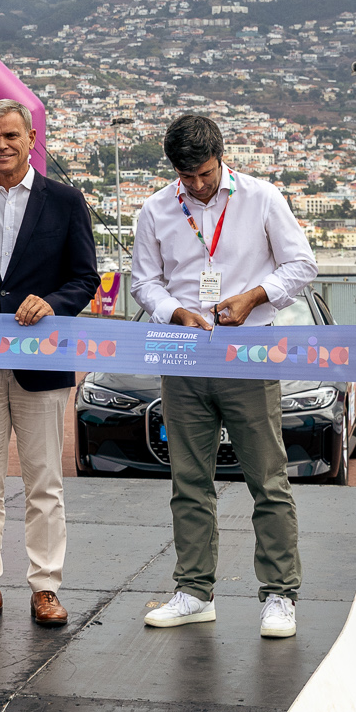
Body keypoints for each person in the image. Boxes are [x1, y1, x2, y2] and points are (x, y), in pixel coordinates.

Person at [130, 114, 317, 640]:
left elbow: (302, 265)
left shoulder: (262, 198)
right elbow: (144, 281)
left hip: (249, 354)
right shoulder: (155, 209)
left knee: (267, 479)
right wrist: (174, 312)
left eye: (205, 174)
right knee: (189, 480)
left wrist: (254, 296)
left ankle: (280, 595)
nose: (196, 185)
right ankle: (194, 592)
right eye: (186, 176)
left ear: (221, 159)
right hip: (185, 358)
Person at [0, 100, 99, 628]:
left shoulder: (66, 201)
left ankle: (45, 587)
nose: (1, 145)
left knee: (44, 483)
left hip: (42, 365)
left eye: (11, 136)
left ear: (31, 139)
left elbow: (85, 278)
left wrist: (52, 303)